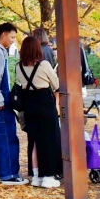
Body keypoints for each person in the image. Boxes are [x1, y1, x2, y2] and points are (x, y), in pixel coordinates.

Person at [0, 22, 27, 184]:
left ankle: (0, 172)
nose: (13, 41)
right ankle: (9, 174)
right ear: (3, 35)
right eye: (12, 37)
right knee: (7, 137)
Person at [17, 35, 62, 189]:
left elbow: (22, 85)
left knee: (34, 141)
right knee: (49, 140)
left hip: (29, 105)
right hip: (44, 104)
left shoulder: (19, 66)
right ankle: (48, 176)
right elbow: (57, 85)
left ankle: (36, 176)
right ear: (37, 49)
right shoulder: (44, 65)